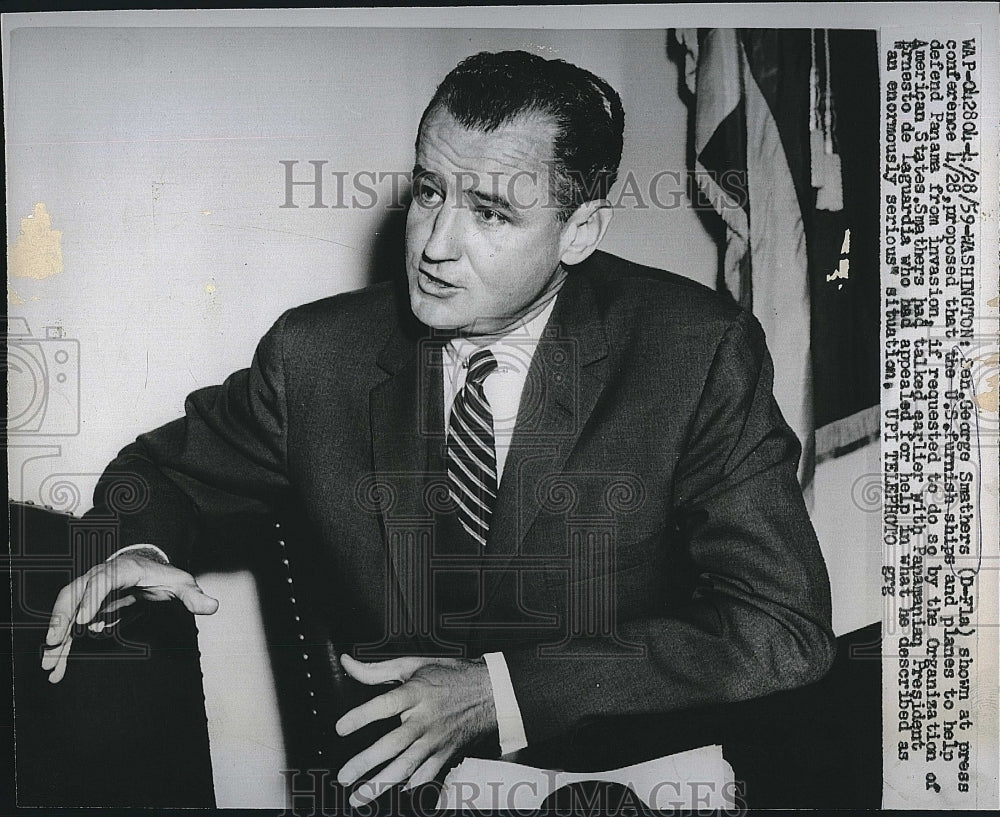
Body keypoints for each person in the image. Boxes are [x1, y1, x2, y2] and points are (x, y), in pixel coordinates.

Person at [42, 50, 836, 806]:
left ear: (580, 231)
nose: (435, 244)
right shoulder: (317, 356)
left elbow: (781, 626)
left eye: (490, 212)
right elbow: (166, 470)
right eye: (430, 191)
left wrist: (506, 691)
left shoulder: (693, 352)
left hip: (627, 788)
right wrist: (131, 546)